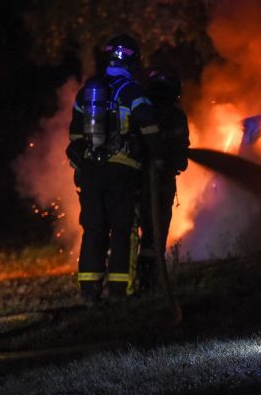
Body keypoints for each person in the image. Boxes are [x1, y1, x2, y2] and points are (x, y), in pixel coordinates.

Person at [66, 34, 162, 301]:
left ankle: (89, 291)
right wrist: (158, 155)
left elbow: (75, 135)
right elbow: (149, 126)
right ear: (132, 61)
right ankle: (120, 291)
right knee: (123, 230)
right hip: (123, 171)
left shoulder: (88, 92)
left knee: (94, 229)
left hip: (91, 173)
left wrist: (82, 163)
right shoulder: (131, 91)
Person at [136, 67, 190, 293]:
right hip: (161, 184)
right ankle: (149, 281)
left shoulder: (140, 110)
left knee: (132, 232)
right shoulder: (176, 116)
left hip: (135, 182)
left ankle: (131, 281)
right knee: (154, 233)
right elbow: (181, 160)